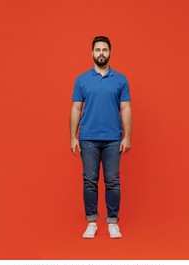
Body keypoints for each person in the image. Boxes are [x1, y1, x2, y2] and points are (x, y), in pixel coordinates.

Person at [70, 36, 132, 239]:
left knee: (113, 181)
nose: (101, 53)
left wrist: (127, 136)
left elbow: (125, 108)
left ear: (110, 53)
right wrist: (73, 136)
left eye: (105, 50)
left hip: (114, 138)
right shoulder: (82, 79)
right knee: (90, 181)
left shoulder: (121, 79)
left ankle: (113, 223)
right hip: (88, 137)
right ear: (92, 53)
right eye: (97, 50)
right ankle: (91, 222)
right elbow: (76, 108)